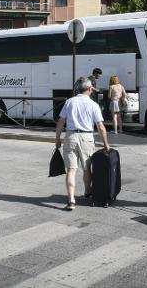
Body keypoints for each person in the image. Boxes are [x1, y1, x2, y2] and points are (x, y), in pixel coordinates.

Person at [55, 77, 110, 211]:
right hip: (87, 137)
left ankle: (71, 200)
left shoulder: (69, 102)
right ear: (90, 89)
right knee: (87, 168)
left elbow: (61, 123)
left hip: (71, 136)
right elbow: (101, 127)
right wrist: (106, 144)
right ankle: (87, 191)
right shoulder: (93, 105)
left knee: (71, 170)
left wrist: (57, 139)